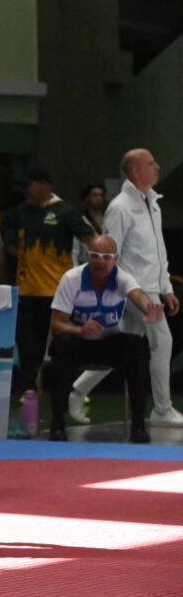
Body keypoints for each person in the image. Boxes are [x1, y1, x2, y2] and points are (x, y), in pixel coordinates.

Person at [69, 149, 183, 427]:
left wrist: (166, 286)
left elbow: (159, 251)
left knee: (123, 345)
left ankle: (76, 391)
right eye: (151, 163)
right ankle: (162, 409)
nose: (158, 167)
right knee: (162, 341)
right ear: (135, 172)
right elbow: (108, 253)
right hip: (133, 289)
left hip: (152, 288)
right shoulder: (120, 207)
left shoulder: (152, 203)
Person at [47, 235, 162, 442]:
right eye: (95, 256)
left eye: (107, 257)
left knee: (137, 346)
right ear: (88, 257)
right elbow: (57, 325)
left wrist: (149, 308)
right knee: (62, 346)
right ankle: (58, 422)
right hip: (78, 341)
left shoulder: (122, 278)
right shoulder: (72, 279)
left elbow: (137, 294)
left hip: (109, 341)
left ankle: (138, 424)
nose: (101, 261)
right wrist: (80, 330)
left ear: (115, 259)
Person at [0, 168, 95, 393]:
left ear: (44, 185)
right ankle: (29, 391)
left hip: (57, 294)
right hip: (27, 293)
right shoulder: (19, 212)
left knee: (62, 346)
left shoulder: (65, 212)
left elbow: (91, 239)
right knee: (29, 347)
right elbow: (5, 230)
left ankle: (65, 390)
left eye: (30, 185)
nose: (27, 191)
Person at [72, 183, 106, 266]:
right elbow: (74, 252)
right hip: (86, 264)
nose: (98, 198)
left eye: (101, 195)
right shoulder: (81, 221)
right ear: (87, 198)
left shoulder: (109, 218)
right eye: (94, 195)